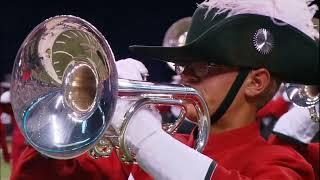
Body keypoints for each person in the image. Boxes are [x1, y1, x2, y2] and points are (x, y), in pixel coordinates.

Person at [11, 0, 319, 180]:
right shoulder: (151, 146)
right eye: (184, 66)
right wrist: (80, 115)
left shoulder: (281, 163)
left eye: (205, 66)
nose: (185, 76)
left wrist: (147, 140)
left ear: (256, 82)